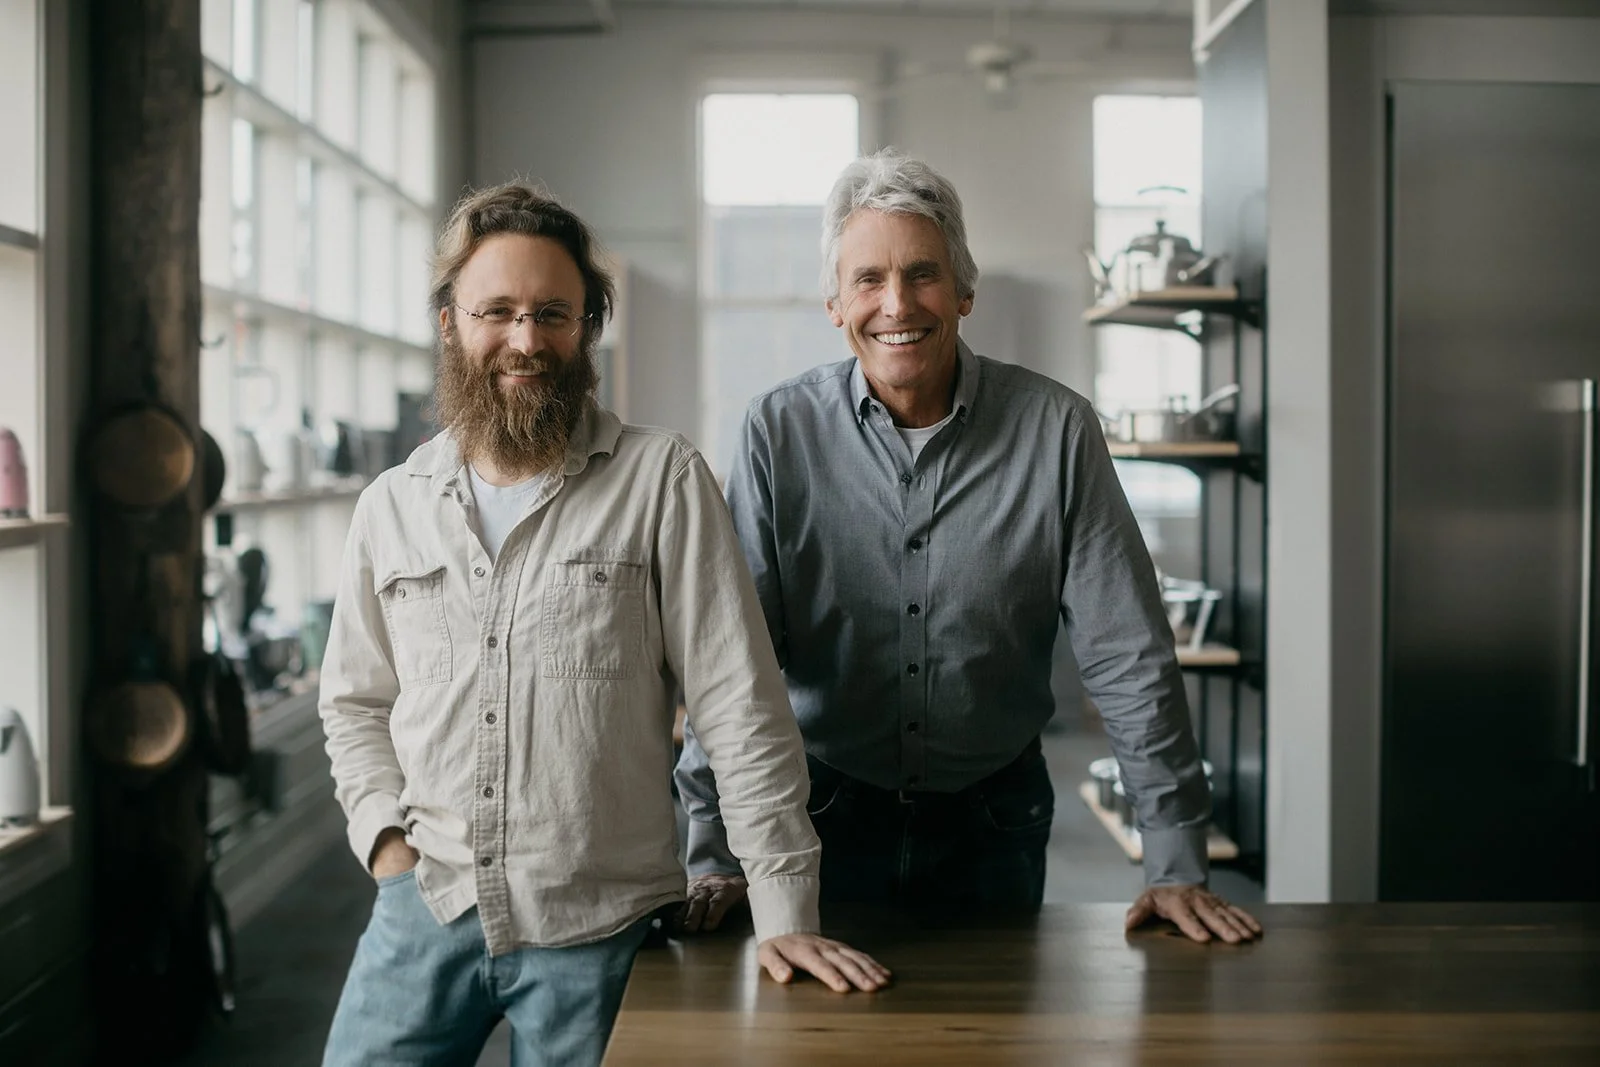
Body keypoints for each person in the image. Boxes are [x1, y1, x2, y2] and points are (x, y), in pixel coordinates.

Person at [318, 181, 888, 1067]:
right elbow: (354, 704)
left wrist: (784, 912)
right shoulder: (390, 507)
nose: (525, 338)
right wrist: (384, 841)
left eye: (554, 313)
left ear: (588, 328)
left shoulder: (661, 480)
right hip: (423, 906)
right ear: (448, 322)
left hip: (598, 932)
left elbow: (738, 705)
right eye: (496, 311)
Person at [674, 150, 1262, 947]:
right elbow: (733, 659)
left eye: (922, 273)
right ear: (835, 303)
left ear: (964, 290)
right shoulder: (779, 431)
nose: (897, 303)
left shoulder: (1057, 429)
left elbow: (1128, 653)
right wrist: (713, 848)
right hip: (821, 817)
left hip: (997, 817)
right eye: (868, 280)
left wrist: (1175, 859)